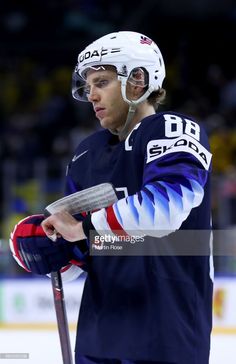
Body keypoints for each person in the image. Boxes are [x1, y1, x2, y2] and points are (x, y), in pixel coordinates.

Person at [10, 31, 213, 364]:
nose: (91, 95)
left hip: (168, 334)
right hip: (99, 336)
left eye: (101, 82)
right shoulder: (85, 154)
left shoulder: (173, 128)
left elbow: (168, 207)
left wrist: (84, 229)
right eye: (87, 86)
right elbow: (94, 250)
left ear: (138, 80)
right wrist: (49, 248)